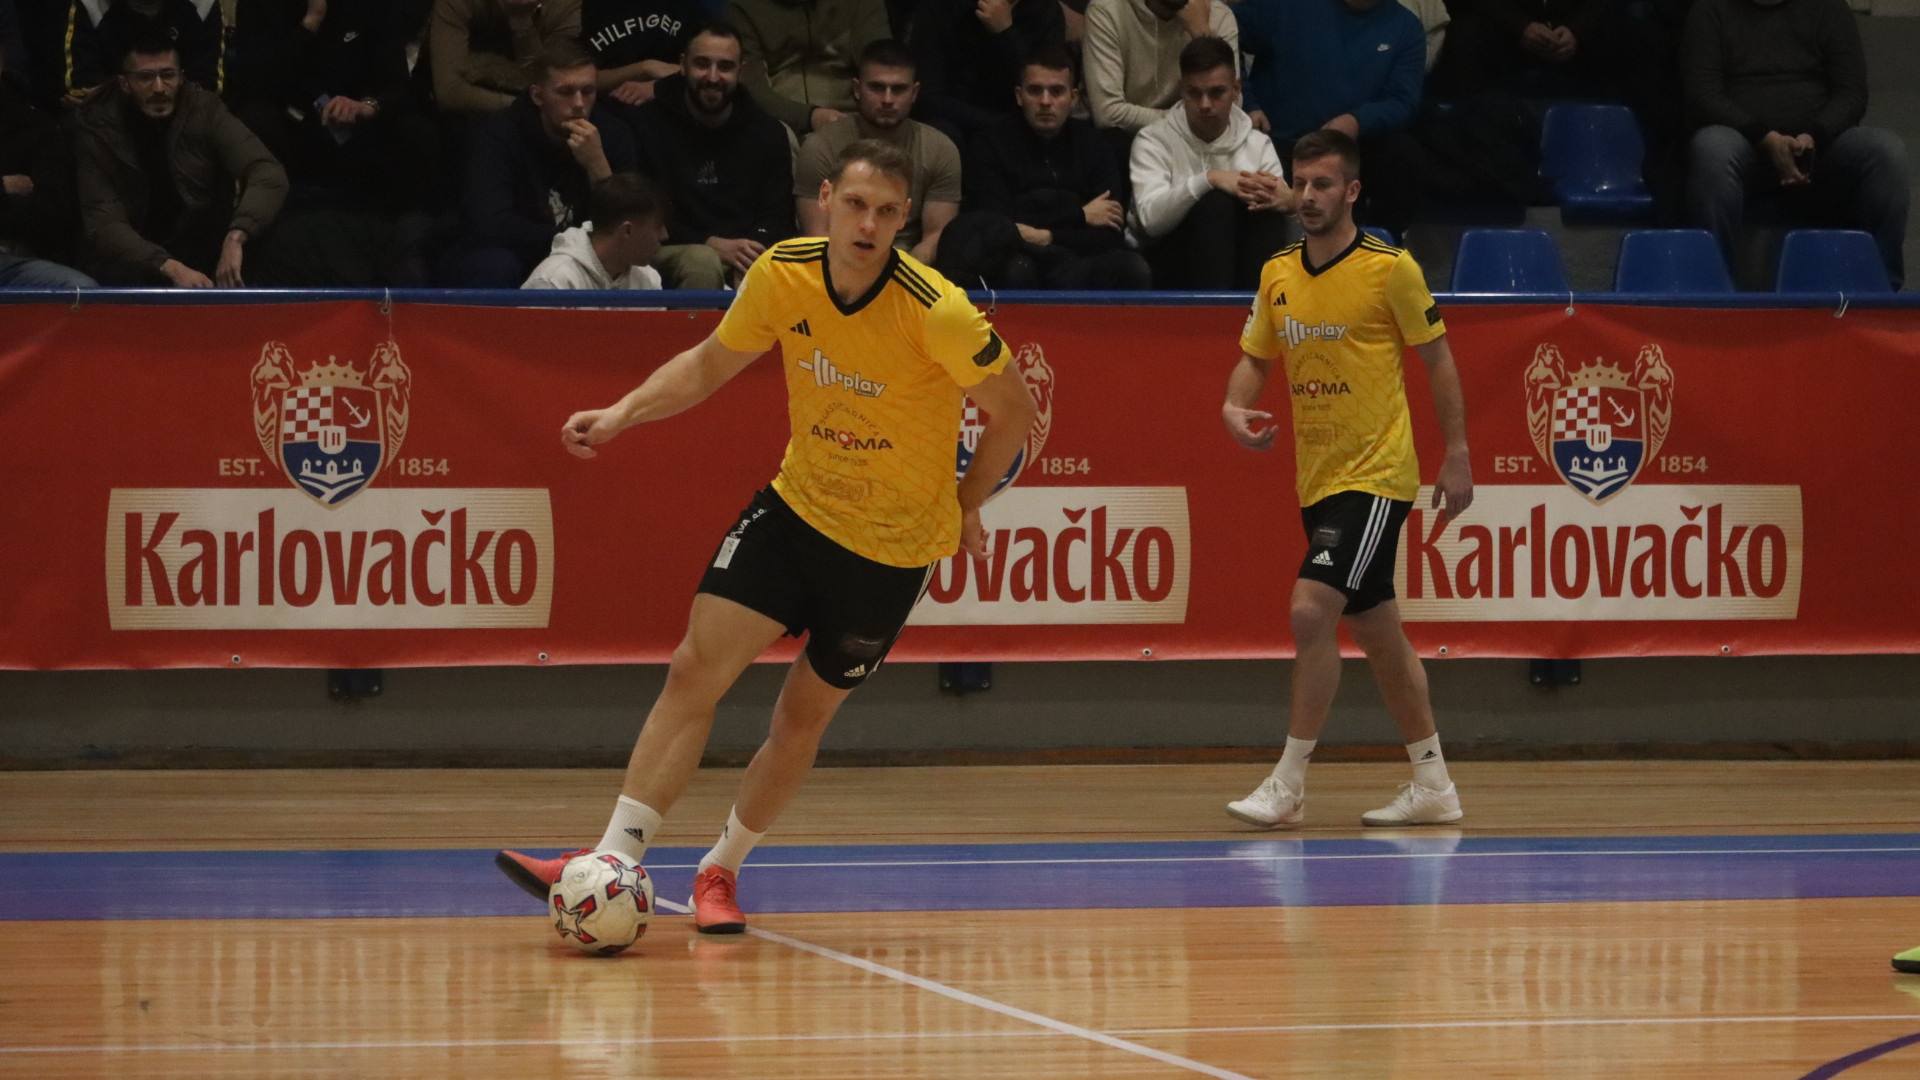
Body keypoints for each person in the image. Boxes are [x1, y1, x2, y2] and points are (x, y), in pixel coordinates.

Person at [495, 138, 1038, 935]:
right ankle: (612, 861)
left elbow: (1016, 411)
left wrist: (965, 503)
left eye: (888, 212)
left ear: (904, 221)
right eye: (856, 205)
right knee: (694, 669)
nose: (868, 224)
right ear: (827, 200)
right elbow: (709, 363)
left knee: (800, 718)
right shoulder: (785, 272)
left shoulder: (938, 310)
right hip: (796, 510)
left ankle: (721, 869)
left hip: (892, 550)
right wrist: (621, 414)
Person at [1221, 128, 1473, 830]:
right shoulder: (1278, 274)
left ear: (1352, 191)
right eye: (1300, 182)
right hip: (1318, 479)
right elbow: (1255, 358)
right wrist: (1233, 406)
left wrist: (1457, 452)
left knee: (1310, 611)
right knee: (1381, 635)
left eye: (1323, 184)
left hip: (1378, 474)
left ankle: (1289, 783)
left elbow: (1439, 360)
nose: (1307, 195)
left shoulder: (1391, 269)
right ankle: (1434, 784)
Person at [1682, 0, 1908, 288]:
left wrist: (1814, 135)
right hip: (1745, 145)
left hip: (1819, 149)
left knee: (1887, 151)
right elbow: (1703, 95)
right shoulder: (1710, 10)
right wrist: (1764, 137)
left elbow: (1851, 93)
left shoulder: (1829, 8)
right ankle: (1715, 289)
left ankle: (1881, 290)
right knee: (1711, 149)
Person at [72, 32, 287, 286]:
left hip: (202, 244)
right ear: (124, 83)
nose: (159, 88)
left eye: (168, 75)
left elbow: (267, 171)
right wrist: (169, 267)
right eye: (145, 78)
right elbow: (104, 223)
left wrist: (237, 235)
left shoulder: (205, 109)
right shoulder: (96, 125)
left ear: (181, 77)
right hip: (132, 258)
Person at [446, 41, 638, 285]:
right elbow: (490, 223)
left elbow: (630, 226)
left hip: (589, 257)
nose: (579, 103)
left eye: (588, 91)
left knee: (639, 267)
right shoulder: (499, 135)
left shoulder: (612, 135)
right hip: (519, 251)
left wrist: (598, 167)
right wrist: (571, 245)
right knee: (494, 264)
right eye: (565, 92)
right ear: (537, 95)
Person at [960, 43, 1150, 289]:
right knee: (1015, 269)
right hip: (1021, 259)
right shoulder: (990, 144)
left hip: (1081, 260)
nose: (1045, 101)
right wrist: (1080, 215)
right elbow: (995, 228)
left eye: (1057, 91)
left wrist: (1047, 235)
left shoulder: (1095, 145)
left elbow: (1109, 232)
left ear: (1073, 97)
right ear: (1019, 96)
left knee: (1132, 267)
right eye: (1035, 91)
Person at [1234, 0, 1425, 236]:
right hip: (1280, 145)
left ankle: (1380, 247)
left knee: (1403, 155)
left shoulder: (1405, 26)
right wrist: (1247, 101)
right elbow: (1226, 32)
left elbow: (1403, 101)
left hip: (1354, 151)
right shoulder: (1285, 5)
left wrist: (1356, 121)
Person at [627, 21, 794, 289]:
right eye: (702, 64)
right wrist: (707, 242)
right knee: (701, 261)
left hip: (744, 251)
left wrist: (750, 254)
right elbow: (642, 212)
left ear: (741, 71)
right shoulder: (646, 125)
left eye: (725, 67)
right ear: (683, 65)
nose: (713, 77)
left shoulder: (768, 132)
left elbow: (777, 217)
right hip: (672, 247)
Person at [1128, 34, 1290, 290]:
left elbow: (1283, 209)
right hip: (1170, 260)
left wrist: (1288, 200)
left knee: (1267, 212)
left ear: (1236, 90)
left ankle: (1258, 307)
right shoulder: (1153, 140)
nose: (1205, 105)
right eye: (1194, 93)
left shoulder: (1258, 144)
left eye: (1216, 93)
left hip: (1243, 261)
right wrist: (1209, 179)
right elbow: (1151, 223)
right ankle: (1217, 309)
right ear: (1182, 91)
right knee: (1214, 203)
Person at [793, 39, 959, 266]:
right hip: (838, 264)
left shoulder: (940, 149)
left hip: (909, 266)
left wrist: (902, 274)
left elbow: (936, 237)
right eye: (877, 88)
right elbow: (817, 236)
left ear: (914, 93)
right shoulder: (821, 147)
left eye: (898, 89)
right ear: (857, 89)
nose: (887, 99)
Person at [907, 0, 1065, 149]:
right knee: (942, 135)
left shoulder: (1046, 10)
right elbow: (927, 97)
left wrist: (1006, 33)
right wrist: (999, 125)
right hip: (957, 123)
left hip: (1023, 124)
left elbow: (1045, 84)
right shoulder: (941, 6)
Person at [0, 45, 95, 286]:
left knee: (78, 288)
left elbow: (51, 213)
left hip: (12, 257)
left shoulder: (34, 125)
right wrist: (4, 187)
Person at [727, 0, 891, 137]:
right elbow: (751, 88)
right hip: (780, 125)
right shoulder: (744, 7)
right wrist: (809, 117)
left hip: (854, 118)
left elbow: (884, 67)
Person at [1082, 0, 1236, 135]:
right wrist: (1193, 119)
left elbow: (1232, 106)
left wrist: (1202, 35)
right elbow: (1108, 113)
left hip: (1195, 137)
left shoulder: (1217, 16)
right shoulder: (1108, 10)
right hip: (1126, 136)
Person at [428, 0, 582, 112]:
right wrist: (521, 106)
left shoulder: (565, 6)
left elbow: (555, 85)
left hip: (536, 106)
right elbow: (449, 92)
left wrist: (522, 23)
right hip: (474, 111)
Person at [521, 172, 666, 288]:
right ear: (627, 231)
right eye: (658, 227)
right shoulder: (552, 281)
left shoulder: (648, 279)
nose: (664, 236)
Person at [64, 0, 224, 101]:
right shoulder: (90, 4)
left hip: (184, 119)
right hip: (109, 120)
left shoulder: (203, 4)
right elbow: (83, 86)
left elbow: (207, 87)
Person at [582, 0, 702, 108]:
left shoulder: (686, 7)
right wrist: (645, 68)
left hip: (673, 101)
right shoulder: (592, 7)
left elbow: (703, 70)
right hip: (609, 106)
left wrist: (657, 88)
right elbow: (582, 79)